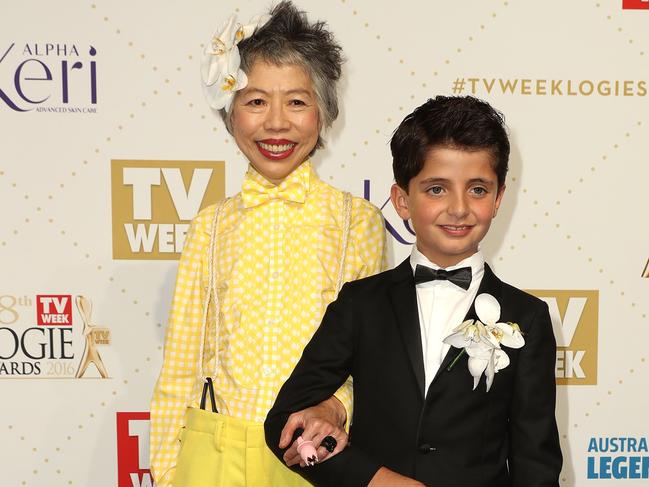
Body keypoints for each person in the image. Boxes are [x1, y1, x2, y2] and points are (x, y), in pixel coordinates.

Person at [265, 95, 563, 486]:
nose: (459, 209)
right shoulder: (360, 304)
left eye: (477, 189)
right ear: (402, 201)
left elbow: (535, 461)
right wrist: (376, 479)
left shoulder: (527, 318)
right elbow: (285, 423)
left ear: (499, 199)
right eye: (437, 189)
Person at [149, 2, 386, 486]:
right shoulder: (210, 225)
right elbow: (180, 365)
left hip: (313, 453)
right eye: (255, 101)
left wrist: (333, 412)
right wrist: (169, 470)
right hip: (213, 456)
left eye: (297, 102)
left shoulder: (355, 221)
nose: (276, 123)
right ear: (230, 110)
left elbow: (368, 359)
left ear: (324, 112)